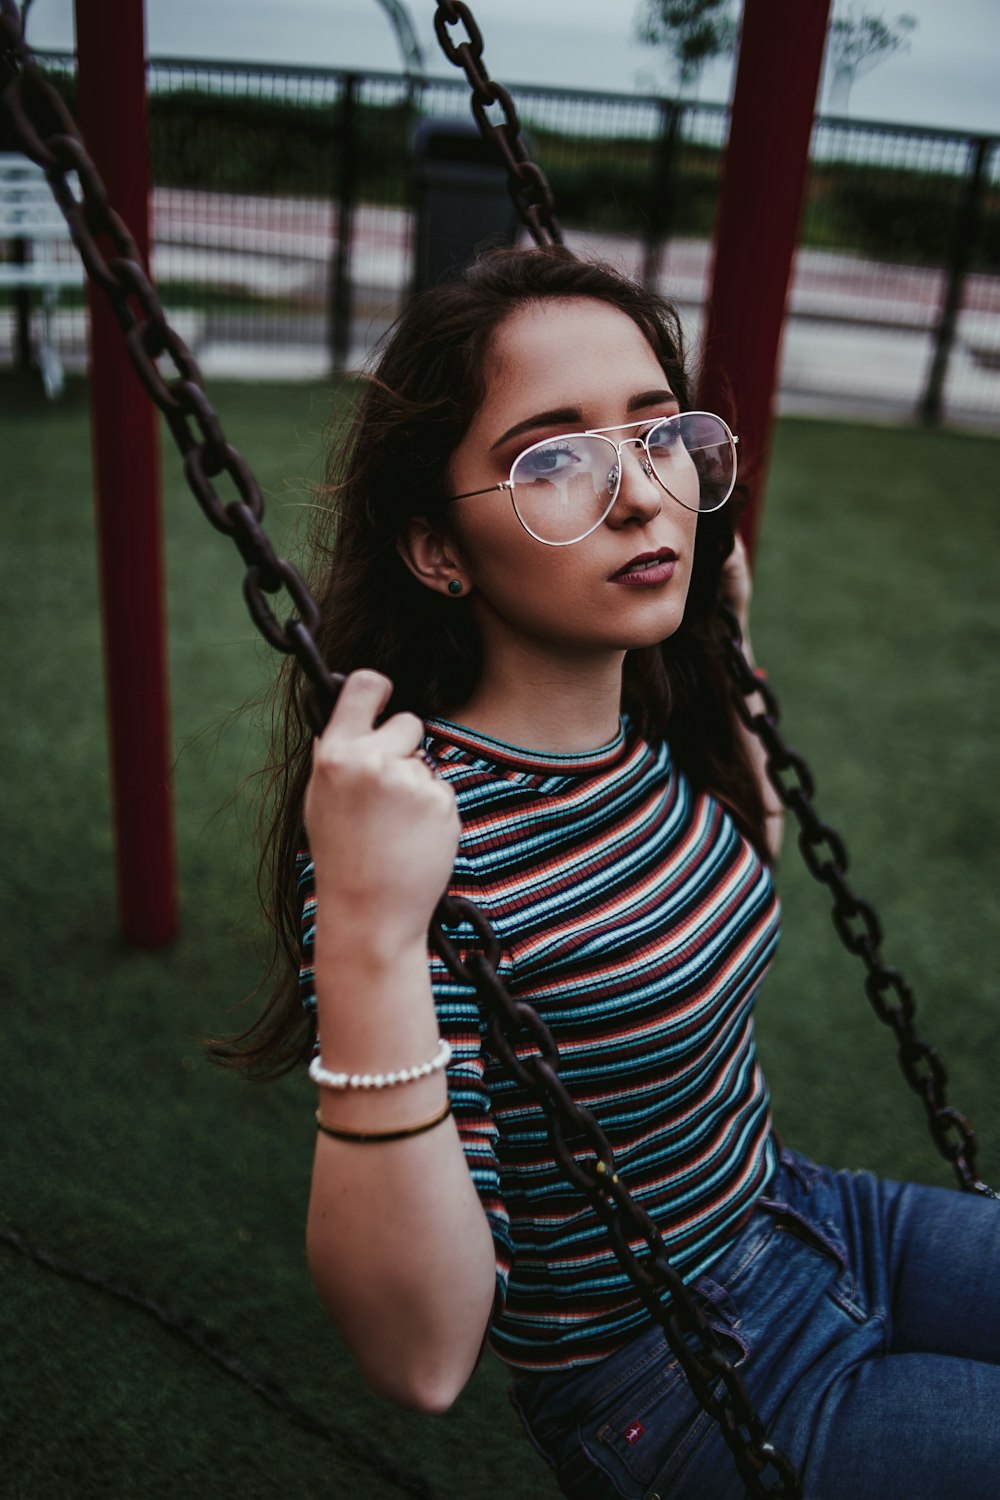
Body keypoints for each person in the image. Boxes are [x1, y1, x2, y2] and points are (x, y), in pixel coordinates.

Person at [226, 247, 1000, 1499]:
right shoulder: (414, 845)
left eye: (656, 436)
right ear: (437, 550)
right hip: (675, 1382)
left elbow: (738, 863)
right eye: (552, 460)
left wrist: (727, 641)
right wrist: (366, 927)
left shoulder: (636, 735)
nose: (642, 496)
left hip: (811, 1217)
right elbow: (420, 1358)